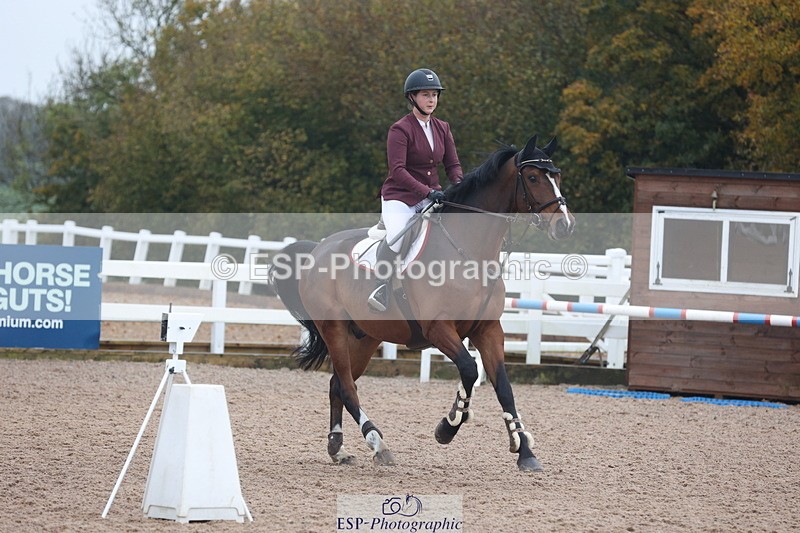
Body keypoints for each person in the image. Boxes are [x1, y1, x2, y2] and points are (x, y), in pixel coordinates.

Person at [367, 68, 464, 312]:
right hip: (400, 197)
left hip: (432, 197)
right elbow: (398, 170)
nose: (431, 100)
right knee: (398, 237)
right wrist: (427, 192)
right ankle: (381, 287)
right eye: (425, 95)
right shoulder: (400, 129)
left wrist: (460, 186)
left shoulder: (442, 127)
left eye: (434, 95)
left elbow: (452, 165)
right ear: (412, 97)